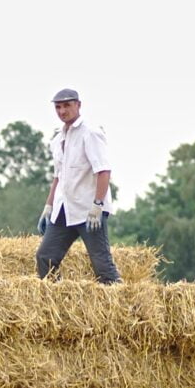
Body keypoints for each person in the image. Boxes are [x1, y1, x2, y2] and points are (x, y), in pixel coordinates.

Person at [36, 87, 119, 284]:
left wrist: (98, 205)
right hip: (63, 209)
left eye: (67, 105)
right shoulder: (58, 139)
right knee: (45, 257)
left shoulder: (90, 133)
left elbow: (103, 171)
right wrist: (48, 207)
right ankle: (56, 306)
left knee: (101, 264)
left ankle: (122, 309)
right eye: (58, 107)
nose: (62, 111)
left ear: (78, 105)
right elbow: (58, 176)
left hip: (88, 211)